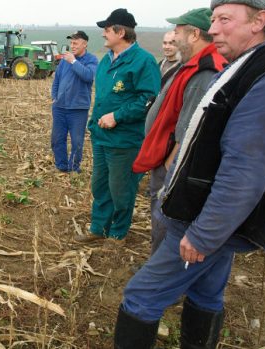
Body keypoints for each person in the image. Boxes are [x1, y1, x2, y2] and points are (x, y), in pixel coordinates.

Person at [114, 0, 265, 348]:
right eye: (214, 19)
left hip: (202, 219)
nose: (213, 28)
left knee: (141, 296)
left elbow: (247, 171)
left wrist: (205, 234)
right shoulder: (241, 67)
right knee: (206, 291)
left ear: (259, 20)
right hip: (208, 215)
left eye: (224, 19)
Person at [132, 8, 227, 255]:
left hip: (173, 165)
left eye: (178, 31)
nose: (174, 37)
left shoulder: (205, 71)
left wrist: (169, 167)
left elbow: (190, 129)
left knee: (166, 221)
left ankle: (160, 274)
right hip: (166, 159)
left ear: (194, 34)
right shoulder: (191, 65)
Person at [74, 8, 160, 244]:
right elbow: (103, 96)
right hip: (102, 136)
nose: (103, 33)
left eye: (107, 29)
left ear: (121, 32)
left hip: (124, 139)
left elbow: (149, 99)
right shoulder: (105, 62)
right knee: (100, 185)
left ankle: (117, 233)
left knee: (120, 188)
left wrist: (118, 116)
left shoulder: (143, 61)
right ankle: (98, 228)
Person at [50, 31, 98, 173]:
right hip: (59, 107)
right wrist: (54, 97)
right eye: (71, 43)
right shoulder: (64, 61)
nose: (72, 46)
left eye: (75, 43)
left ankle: (74, 168)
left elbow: (88, 76)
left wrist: (73, 61)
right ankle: (62, 166)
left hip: (78, 109)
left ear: (85, 44)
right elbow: (57, 79)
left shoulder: (91, 60)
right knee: (57, 139)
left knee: (77, 142)